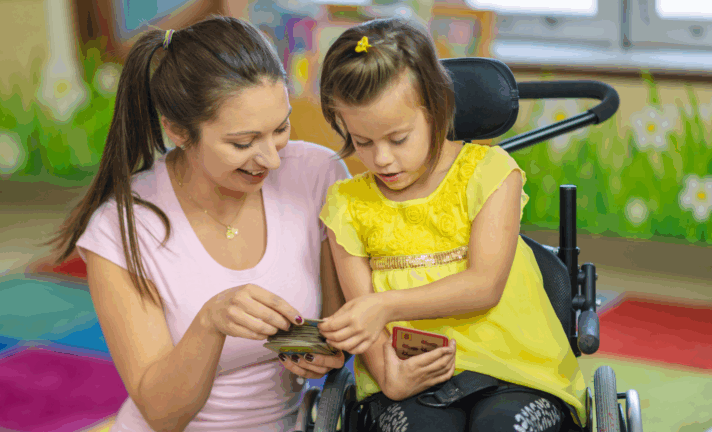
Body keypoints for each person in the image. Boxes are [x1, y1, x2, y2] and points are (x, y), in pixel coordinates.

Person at [49, 16, 350, 432]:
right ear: (177, 131)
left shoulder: (317, 174)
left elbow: (339, 324)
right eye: (243, 143)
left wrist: (329, 349)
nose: (272, 159)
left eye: (280, 129)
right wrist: (211, 322)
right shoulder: (122, 227)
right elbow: (162, 414)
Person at [315, 18, 587, 432]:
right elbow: (361, 321)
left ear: (436, 107)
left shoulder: (491, 172)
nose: (382, 159)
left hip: (516, 372)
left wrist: (384, 305)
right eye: (363, 142)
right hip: (408, 376)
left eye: (398, 138)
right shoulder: (346, 204)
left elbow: (483, 286)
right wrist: (390, 376)